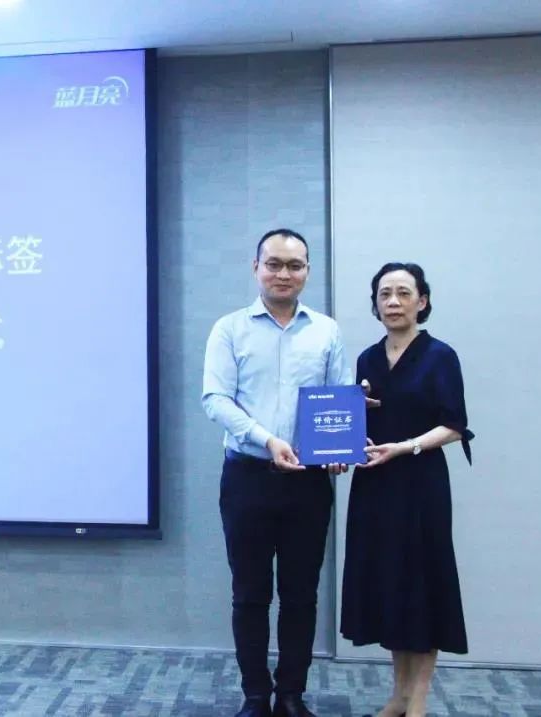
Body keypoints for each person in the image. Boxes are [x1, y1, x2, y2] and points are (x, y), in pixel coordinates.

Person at [203, 228, 353, 717]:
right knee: (249, 594)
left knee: (301, 595)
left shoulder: (326, 331)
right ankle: (255, 696)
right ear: (256, 268)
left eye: (294, 265)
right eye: (274, 264)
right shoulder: (230, 329)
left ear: (307, 271)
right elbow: (215, 399)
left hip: (308, 484)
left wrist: (339, 447)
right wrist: (267, 439)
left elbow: (340, 397)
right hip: (247, 477)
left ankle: (291, 695)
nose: (283, 274)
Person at [341, 262, 474, 717]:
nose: (393, 302)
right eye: (384, 294)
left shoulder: (440, 356)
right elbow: (355, 424)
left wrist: (406, 446)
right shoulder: (367, 359)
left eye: (403, 292)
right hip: (375, 484)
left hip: (420, 484)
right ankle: (398, 695)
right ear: (375, 304)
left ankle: (418, 699)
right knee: (390, 585)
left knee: (423, 586)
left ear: (422, 301)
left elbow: (454, 425)